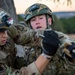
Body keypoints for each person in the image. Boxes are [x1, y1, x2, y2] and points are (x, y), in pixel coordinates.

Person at [0, 8, 60, 75]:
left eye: (5, 31)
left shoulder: (5, 42)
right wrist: (46, 55)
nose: (5, 36)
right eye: (0, 32)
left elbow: (13, 62)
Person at [23, 3, 75, 75]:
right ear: (30, 24)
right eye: (33, 20)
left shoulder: (57, 37)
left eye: (41, 18)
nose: (37, 22)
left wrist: (70, 50)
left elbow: (66, 41)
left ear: (49, 21)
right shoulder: (27, 42)